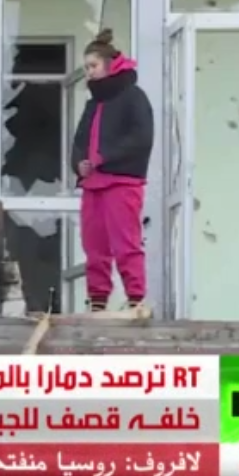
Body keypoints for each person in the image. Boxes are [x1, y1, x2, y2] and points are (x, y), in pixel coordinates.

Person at [72, 29, 154, 313]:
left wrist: (103, 157)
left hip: (122, 181)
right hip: (93, 182)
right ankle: (97, 300)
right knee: (93, 246)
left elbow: (142, 138)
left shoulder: (134, 97)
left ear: (110, 65)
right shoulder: (93, 104)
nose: (89, 72)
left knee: (126, 243)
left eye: (93, 65)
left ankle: (135, 299)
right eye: (86, 67)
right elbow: (79, 141)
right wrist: (79, 163)